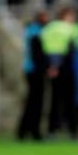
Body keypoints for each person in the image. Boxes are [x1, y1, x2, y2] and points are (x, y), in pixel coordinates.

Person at [41, 7, 77, 139]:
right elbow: (67, 47)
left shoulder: (49, 28)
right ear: (65, 16)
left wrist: (51, 66)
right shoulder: (68, 29)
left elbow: (46, 47)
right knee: (69, 101)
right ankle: (72, 130)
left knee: (54, 101)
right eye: (71, 16)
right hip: (64, 67)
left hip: (52, 68)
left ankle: (52, 130)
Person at [17, 10, 49, 141]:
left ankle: (25, 130)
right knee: (36, 102)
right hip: (35, 71)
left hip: (31, 70)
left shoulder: (31, 31)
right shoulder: (37, 32)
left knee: (32, 101)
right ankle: (33, 131)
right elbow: (38, 55)